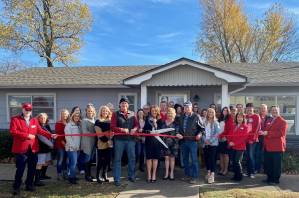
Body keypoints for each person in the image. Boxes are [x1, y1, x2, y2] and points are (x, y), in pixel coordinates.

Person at [10, 103, 55, 195]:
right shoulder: (15, 119)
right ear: (22, 109)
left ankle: (29, 185)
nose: (28, 111)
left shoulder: (34, 120)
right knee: (20, 169)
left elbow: (40, 131)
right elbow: (13, 132)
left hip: (33, 149)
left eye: (29, 110)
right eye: (26, 109)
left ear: (31, 111)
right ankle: (16, 187)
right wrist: (27, 135)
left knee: (32, 169)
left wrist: (51, 135)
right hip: (21, 150)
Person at [111, 97, 138, 186]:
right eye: (122, 103)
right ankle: (117, 179)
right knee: (118, 159)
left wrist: (135, 129)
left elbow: (136, 125)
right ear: (120, 105)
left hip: (131, 140)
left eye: (126, 103)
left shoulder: (133, 114)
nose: (124, 105)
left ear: (128, 105)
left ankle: (131, 176)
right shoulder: (115, 114)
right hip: (119, 140)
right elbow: (112, 127)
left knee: (132, 158)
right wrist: (122, 129)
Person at [176, 101, 205, 184]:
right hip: (183, 141)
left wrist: (199, 134)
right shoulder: (181, 117)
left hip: (192, 142)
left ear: (191, 108)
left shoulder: (196, 116)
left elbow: (202, 129)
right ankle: (187, 175)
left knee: (194, 160)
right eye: (185, 107)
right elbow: (178, 128)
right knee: (185, 160)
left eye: (188, 107)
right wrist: (178, 133)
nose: (186, 108)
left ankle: (194, 177)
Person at [260, 106, 287, 184]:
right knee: (269, 164)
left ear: (279, 111)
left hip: (277, 147)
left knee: (276, 165)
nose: (274, 111)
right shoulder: (270, 120)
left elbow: (281, 133)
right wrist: (263, 132)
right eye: (272, 110)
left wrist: (268, 133)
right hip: (268, 147)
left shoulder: (283, 121)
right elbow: (267, 131)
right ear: (270, 112)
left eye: (276, 110)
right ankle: (269, 178)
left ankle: (275, 180)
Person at [143, 105, 164, 183]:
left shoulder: (160, 120)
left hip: (157, 142)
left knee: (155, 158)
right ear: (150, 111)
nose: (154, 112)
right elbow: (144, 130)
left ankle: (154, 174)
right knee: (148, 158)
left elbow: (162, 130)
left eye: (155, 111)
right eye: (152, 110)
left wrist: (155, 124)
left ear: (157, 111)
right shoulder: (147, 119)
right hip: (148, 141)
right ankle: (148, 174)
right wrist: (146, 131)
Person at [228, 112, 249, 181]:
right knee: (233, 161)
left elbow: (243, 138)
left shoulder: (245, 127)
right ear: (236, 118)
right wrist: (230, 142)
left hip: (240, 147)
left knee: (237, 161)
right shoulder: (234, 125)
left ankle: (239, 176)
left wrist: (234, 143)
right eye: (238, 117)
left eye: (241, 117)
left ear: (243, 118)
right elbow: (230, 135)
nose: (239, 118)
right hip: (233, 147)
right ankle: (235, 175)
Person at [94, 105, 113, 183]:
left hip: (110, 144)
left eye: (106, 111)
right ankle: (98, 176)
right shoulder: (98, 121)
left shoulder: (111, 121)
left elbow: (112, 131)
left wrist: (110, 140)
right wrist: (107, 140)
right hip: (101, 143)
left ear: (108, 112)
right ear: (101, 112)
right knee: (101, 160)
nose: (105, 112)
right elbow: (99, 134)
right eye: (103, 111)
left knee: (107, 160)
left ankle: (104, 175)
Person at [34, 113, 54, 187]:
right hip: (41, 148)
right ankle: (37, 180)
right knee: (39, 164)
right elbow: (42, 137)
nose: (43, 119)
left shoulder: (47, 125)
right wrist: (51, 144)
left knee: (46, 162)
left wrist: (51, 143)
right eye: (41, 118)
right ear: (38, 118)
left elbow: (51, 135)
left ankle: (43, 175)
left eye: (44, 118)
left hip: (47, 148)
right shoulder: (38, 126)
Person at [202, 108, 221, 184]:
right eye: (209, 112)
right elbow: (202, 132)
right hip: (205, 143)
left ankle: (212, 175)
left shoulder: (216, 123)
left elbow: (217, 134)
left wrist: (210, 141)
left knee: (212, 159)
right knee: (206, 159)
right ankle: (208, 172)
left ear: (214, 113)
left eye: (211, 112)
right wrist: (205, 140)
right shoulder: (204, 122)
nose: (210, 113)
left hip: (213, 144)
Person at [161, 107, 178, 180]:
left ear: (174, 114)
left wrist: (178, 134)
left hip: (174, 143)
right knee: (166, 158)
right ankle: (166, 173)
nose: (170, 114)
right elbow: (161, 132)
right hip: (165, 143)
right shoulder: (163, 122)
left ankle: (171, 173)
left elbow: (177, 132)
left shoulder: (176, 123)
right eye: (168, 113)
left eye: (171, 113)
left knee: (172, 159)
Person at [80, 103, 97, 182]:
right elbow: (84, 131)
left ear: (93, 111)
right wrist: (95, 133)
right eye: (88, 111)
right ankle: (87, 176)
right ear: (86, 111)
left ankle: (89, 174)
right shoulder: (84, 120)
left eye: (91, 111)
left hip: (93, 142)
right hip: (87, 142)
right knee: (87, 159)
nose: (90, 112)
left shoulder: (94, 119)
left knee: (90, 160)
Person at [65, 112, 82, 184]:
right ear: (72, 116)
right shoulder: (69, 125)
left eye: (78, 116)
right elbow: (68, 137)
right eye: (75, 116)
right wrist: (73, 146)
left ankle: (73, 175)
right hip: (71, 148)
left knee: (74, 163)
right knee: (73, 163)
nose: (77, 117)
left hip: (77, 148)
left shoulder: (78, 125)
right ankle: (71, 178)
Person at [245, 103, 261, 178]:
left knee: (251, 156)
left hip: (253, 140)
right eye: (247, 109)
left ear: (253, 109)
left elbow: (257, 129)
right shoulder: (245, 116)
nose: (249, 110)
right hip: (245, 140)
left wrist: (252, 139)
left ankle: (252, 172)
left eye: (250, 109)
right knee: (247, 156)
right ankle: (248, 172)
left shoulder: (256, 116)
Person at [255, 104, 272, 173]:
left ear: (266, 110)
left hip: (267, 138)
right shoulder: (257, 116)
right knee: (258, 154)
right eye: (261, 108)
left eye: (264, 108)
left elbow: (271, 128)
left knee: (266, 154)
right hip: (258, 138)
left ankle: (266, 169)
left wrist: (265, 132)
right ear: (259, 109)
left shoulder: (270, 118)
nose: (262, 109)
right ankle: (257, 169)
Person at [218, 107, 234, 176]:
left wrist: (222, 135)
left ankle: (226, 169)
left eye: (226, 110)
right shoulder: (220, 118)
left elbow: (228, 130)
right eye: (223, 110)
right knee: (221, 154)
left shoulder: (230, 119)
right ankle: (221, 169)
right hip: (219, 139)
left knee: (225, 154)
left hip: (225, 139)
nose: (224, 111)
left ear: (228, 112)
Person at [55, 109, 70, 180]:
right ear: (61, 115)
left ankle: (65, 173)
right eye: (63, 114)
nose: (65, 115)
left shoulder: (69, 123)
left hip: (68, 144)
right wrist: (63, 143)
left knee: (66, 160)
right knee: (60, 160)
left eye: (66, 114)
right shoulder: (58, 123)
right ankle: (59, 174)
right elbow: (58, 134)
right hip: (60, 144)